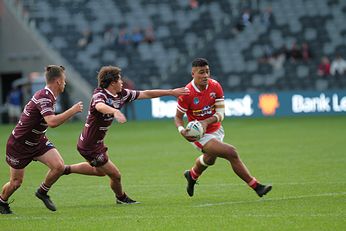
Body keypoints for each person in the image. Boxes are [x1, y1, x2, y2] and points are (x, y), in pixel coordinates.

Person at [63, 65, 189, 204]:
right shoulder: (100, 95)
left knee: (100, 171)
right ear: (112, 83)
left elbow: (146, 94)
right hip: (89, 145)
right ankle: (121, 198)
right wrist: (115, 111)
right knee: (115, 175)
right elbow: (99, 106)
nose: (122, 82)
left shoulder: (122, 94)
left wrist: (171, 92)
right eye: (120, 79)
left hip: (96, 143)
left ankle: (66, 169)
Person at [175, 58, 272, 198]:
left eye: (207, 72)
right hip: (199, 135)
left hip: (216, 129)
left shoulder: (215, 86)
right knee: (230, 152)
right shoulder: (187, 93)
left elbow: (221, 113)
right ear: (193, 74)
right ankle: (256, 186)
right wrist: (182, 130)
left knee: (210, 160)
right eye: (201, 72)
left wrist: (206, 122)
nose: (205, 75)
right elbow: (178, 117)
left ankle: (192, 175)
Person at [0, 65, 83, 214]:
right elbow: (52, 122)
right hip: (19, 144)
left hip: (37, 141)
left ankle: (42, 192)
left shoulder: (50, 96)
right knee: (16, 183)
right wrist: (73, 110)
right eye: (64, 80)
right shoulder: (44, 96)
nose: (65, 83)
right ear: (58, 81)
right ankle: (2, 202)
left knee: (58, 166)